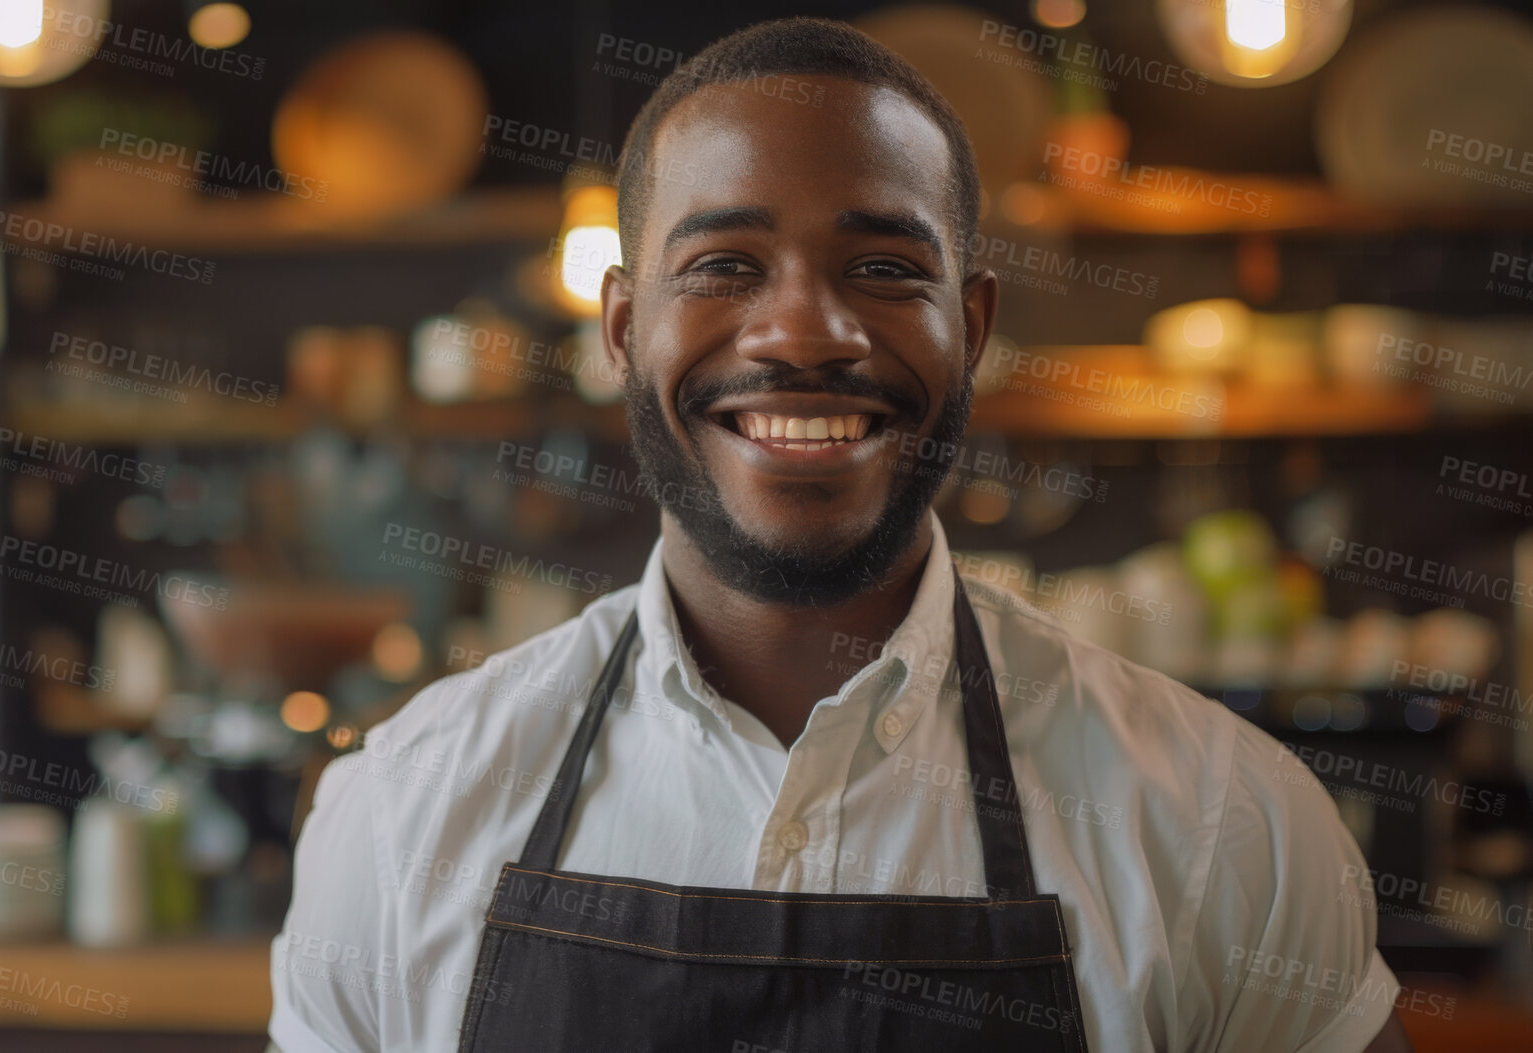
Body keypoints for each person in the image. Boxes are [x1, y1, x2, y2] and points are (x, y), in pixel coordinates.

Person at [270, 17, 1412, 1052]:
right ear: (623, 331)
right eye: (724, 265)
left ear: (969, 328)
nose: (805, 331)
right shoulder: (403, 812)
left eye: (883, 268)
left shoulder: (1227, 825)